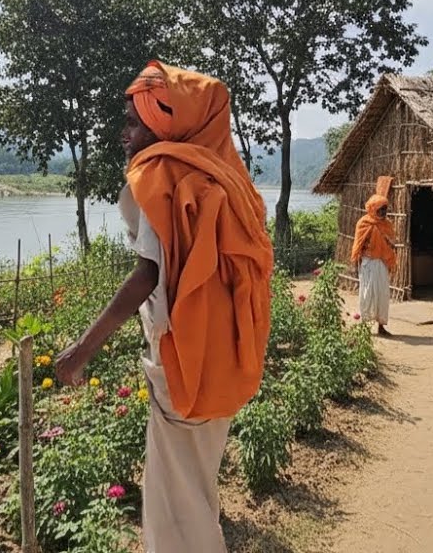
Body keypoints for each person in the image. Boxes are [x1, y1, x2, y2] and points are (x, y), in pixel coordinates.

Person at [54, 60, 274, 553]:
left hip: (182, 361)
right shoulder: (225, 178)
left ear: (165, 122)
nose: (122, 133)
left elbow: (146, 275)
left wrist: (83, 349)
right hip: (221, 357)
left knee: (175, 501)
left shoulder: (164, 179)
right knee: (194, 486)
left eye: (133, 121)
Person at [351, 193, 395, 337]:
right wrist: (356, 266)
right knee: (367, 294)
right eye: (380, 209)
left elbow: (391, 244)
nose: (383, 213)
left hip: (381, 264)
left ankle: (381, 326)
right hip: (368, 263)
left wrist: (388, 245)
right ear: (373, 209)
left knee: (382, 294)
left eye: (385, 209)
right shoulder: (363, 223)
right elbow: (358, 246)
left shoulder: (387, 225)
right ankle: (364, 325)